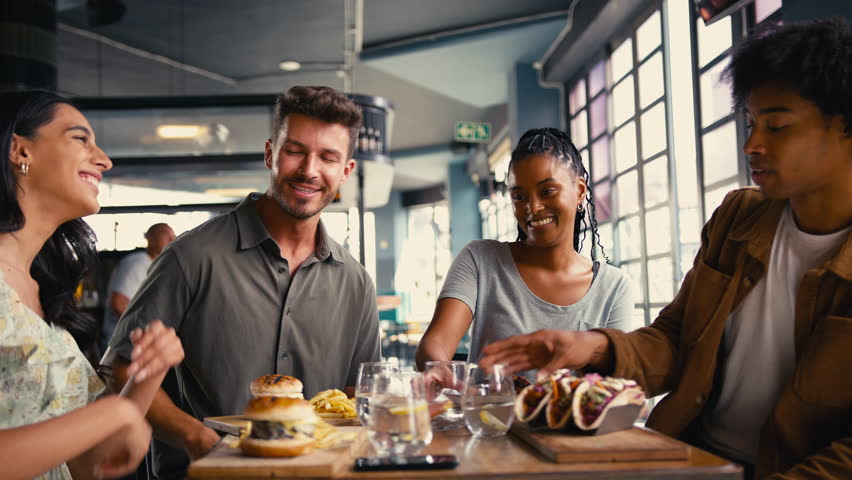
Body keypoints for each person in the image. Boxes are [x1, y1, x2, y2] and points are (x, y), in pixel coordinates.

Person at [480, 19, 852, 479]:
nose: (752, 144)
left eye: (776, 126)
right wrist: (589, 346)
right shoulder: (739, 218)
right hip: (688, 454)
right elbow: (678, 339)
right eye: (752, 123)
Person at [101, 85, 382, 479]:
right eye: (295, 150)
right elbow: (119, 370)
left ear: (346, 172)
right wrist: (197, 439)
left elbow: (359, 395)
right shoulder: (191, 256)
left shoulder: (356, 283)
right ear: (271, 154)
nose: (309, 169)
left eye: (328, 157)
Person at [0, 91, 184, 480]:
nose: (104, 160)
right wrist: (113, 412)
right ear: (20, 151)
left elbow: (85, 464)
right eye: (80, 139)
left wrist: (144, 378)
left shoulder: (40, 292)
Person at [415, 128, 638, 373]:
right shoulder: (480, 260)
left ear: (580, 191)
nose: (533, 207)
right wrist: (436, 368)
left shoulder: (614, 287)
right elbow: (435, 343)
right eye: (519, 197)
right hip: (489, 412)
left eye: (547, 191)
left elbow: (620, 381)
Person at [101, 222, 175, 354]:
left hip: (138, 342)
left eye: (173, 235)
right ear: (149, 238)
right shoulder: (137, 262)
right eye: (165, 234)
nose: (172, 239)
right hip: (124, 343)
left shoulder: (155, 265)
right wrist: (146, 331)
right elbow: (118, 302)